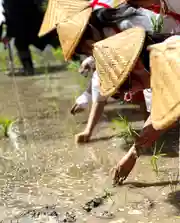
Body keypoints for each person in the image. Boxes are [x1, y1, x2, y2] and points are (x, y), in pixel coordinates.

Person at [45, 0, 180, 185]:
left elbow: (161, 114)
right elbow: (159, 114)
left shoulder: (171, 61)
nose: (127, 96)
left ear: (135, 65)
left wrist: (133, 153)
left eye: (125, 87)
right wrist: (133, 154)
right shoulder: (156, 59)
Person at [2, 0, 59, 75]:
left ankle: (28, 69)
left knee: (21, 43)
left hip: (31, 24)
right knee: (51, 38)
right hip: (37, 22)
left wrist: (9, 34)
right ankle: (75, 56)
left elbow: (14, 16)